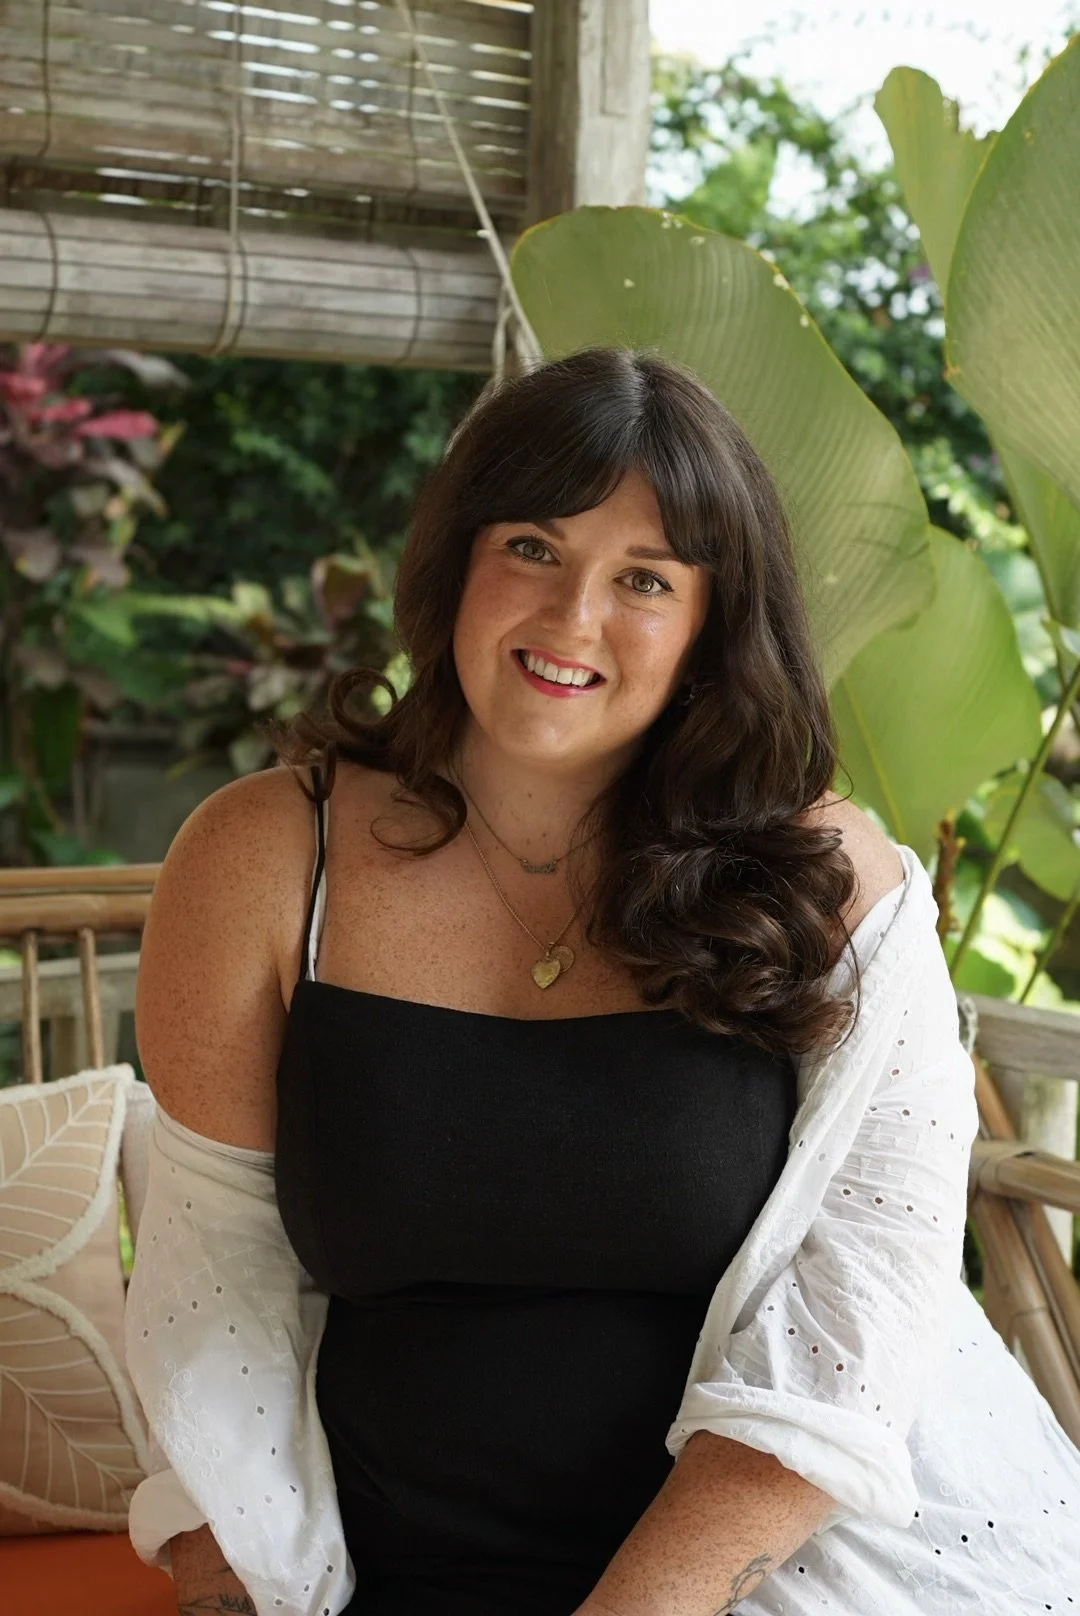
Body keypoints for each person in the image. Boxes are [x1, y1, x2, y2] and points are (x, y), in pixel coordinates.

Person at [124, 347, 1080, 1616]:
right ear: (455, 561)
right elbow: (211, 1295)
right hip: (376, 1575)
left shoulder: (837, 888)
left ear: (709, 626)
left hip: (785, 1579)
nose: (573, 617)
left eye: (645, 578)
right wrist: (246, 1596)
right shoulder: (263, 858)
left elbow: (853, 1339)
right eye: (533, 546)